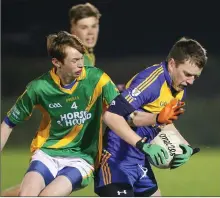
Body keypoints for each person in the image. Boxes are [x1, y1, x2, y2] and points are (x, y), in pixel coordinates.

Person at [1, 31, 184, 196]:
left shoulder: (97, 79)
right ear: (57, 63)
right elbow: (9, 122)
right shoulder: (39, 87)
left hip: (81, 159)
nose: (81, 64)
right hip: (47, 153)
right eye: (74, 61)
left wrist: (156, 118)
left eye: (81, 58)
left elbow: (128, 116)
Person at [94, 37, 208, 197]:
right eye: (187, 74)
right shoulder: (151, 82)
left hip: (139, 161)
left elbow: (163, 122)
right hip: (115, 160)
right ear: (172, 64)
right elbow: (111, 115)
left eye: (195, 77)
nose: (191, 81)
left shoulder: (179, 87)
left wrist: (185, 145)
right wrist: (142, 144)